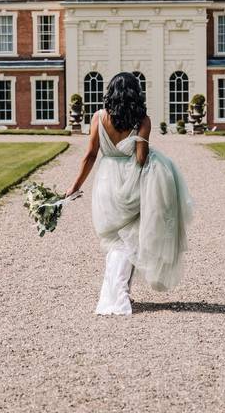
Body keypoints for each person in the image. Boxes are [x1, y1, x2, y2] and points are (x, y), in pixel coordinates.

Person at [65, 72, 194, 315]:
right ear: (136, 94)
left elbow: (90, 155)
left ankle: (115, 295)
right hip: (133, 180)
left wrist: (76, 185)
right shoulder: (143, 120)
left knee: (117, 239)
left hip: (106, 181)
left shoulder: (99, 117)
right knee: (130, 239)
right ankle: (119, 296)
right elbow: (141, 157)